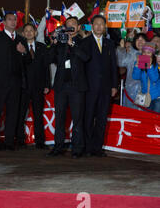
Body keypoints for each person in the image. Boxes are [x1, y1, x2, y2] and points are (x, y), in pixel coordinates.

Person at [45, 16, 89, 158]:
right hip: (61, 86)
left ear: (78, 26)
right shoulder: (60, 42)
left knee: (77, 119)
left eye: (73, 24)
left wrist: (72, 44)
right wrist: (54, 42)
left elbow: (85, 57)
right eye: (68, 25)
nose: (70, 27)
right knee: (60, 118)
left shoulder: (83, 42)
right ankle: (58, 147)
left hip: (77, 87)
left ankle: (77, 149)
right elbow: (49, 58)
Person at [0, 11, 30, 151]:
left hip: (16, 82)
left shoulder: (21, 40)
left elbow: (28, 61)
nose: (12, 22)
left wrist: (24, 52)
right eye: (9, 19)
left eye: (14, 20)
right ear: (4, 23)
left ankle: (9, 141)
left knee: (13, 112)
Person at [82, 15, 118, 158]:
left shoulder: (110, 43)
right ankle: (88, 147)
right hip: (89, 88)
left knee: (102, 119)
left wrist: (114, 85)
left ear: (104, 27)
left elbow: (113, 67)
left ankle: (98, 148)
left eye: (101, 24)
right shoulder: (85, 43)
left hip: (105, 87)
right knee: (88, 117)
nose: (98, 26)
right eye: (96, 24)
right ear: (92, 26)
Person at [16, 23, 50, 150]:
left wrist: (47, 84)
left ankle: (40, 141)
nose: (29, 33)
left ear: (35, 33)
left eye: (31, 30)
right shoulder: (19, 47)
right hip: (23, 87)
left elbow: (46, 67)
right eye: (26, 31)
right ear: (23, 34)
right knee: (21, 114)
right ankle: (20, 140)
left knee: (38, 115)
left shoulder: (42, 47)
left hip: (38, 86)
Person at [116, 33, 147, 109]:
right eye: (138, 40)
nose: (140, 42)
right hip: (130, 91)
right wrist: (121, 48)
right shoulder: (131, 53)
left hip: (144, 91)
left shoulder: (148, 55)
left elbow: (142, 75)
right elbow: (120, 62)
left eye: (142, 40)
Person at [132, 43, 160, 112]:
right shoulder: (139, 62)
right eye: (144, 52)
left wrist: (150, 67)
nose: (145, 54)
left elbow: (154, 79)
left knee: (155, 119)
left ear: (152, 54)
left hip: (157, 97)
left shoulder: (156, 64)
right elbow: (135, 77)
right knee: (146, 118)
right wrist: (137, 66)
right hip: (145, 96)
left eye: (148, 53)